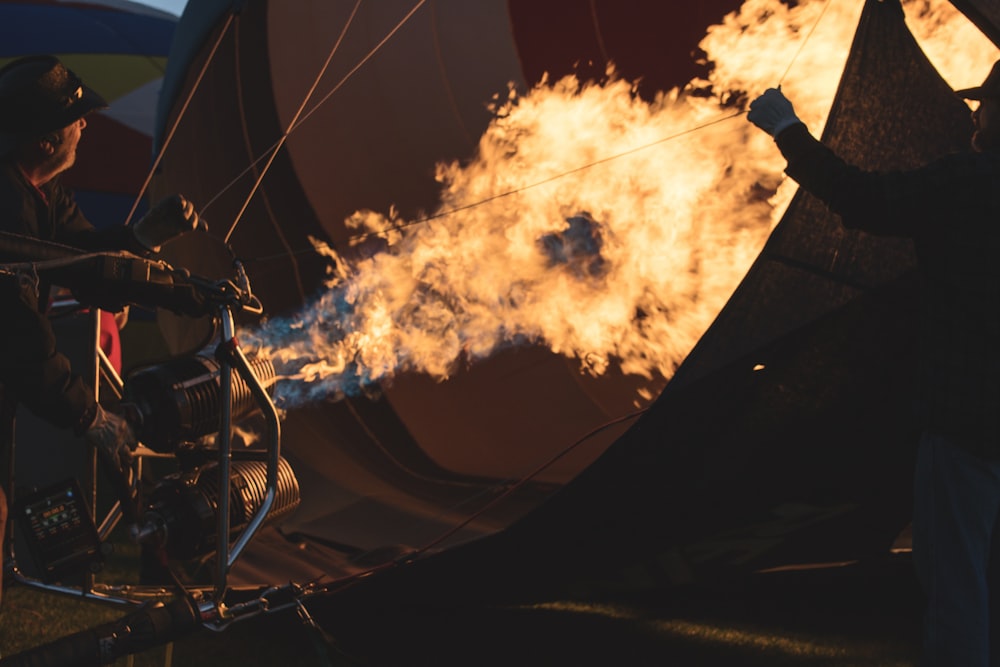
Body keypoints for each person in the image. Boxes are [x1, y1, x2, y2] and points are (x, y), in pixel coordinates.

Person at [748, 61, 1000, 666]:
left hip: (967, 427)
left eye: (986, 104)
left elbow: (865, 199)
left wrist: (788, 132)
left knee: (955, 583)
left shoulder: (967, 183)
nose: (974, 112)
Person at [0, 55, 204, 602]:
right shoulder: (8, 205)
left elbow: (84, 263)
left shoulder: (42, 191)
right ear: (45, 140)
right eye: (77, 117)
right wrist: (90, 415)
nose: (85, 125)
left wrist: (142, 240)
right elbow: (19, 340)